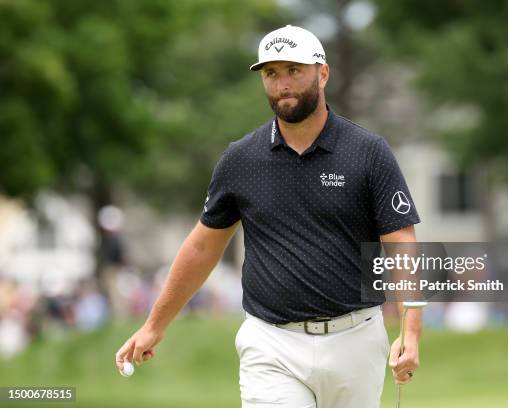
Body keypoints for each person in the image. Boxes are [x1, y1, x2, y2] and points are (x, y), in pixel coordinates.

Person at [115, 25, 422, 407]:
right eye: (271, 73)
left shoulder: (367, 152)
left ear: (322, 73)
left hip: (355, 340)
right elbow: (202, 247)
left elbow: (401, 242)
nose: (282, 84)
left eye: (293, 70)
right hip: (272, 344)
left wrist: (411, 331)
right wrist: (154, 326)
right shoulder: (241, 159)